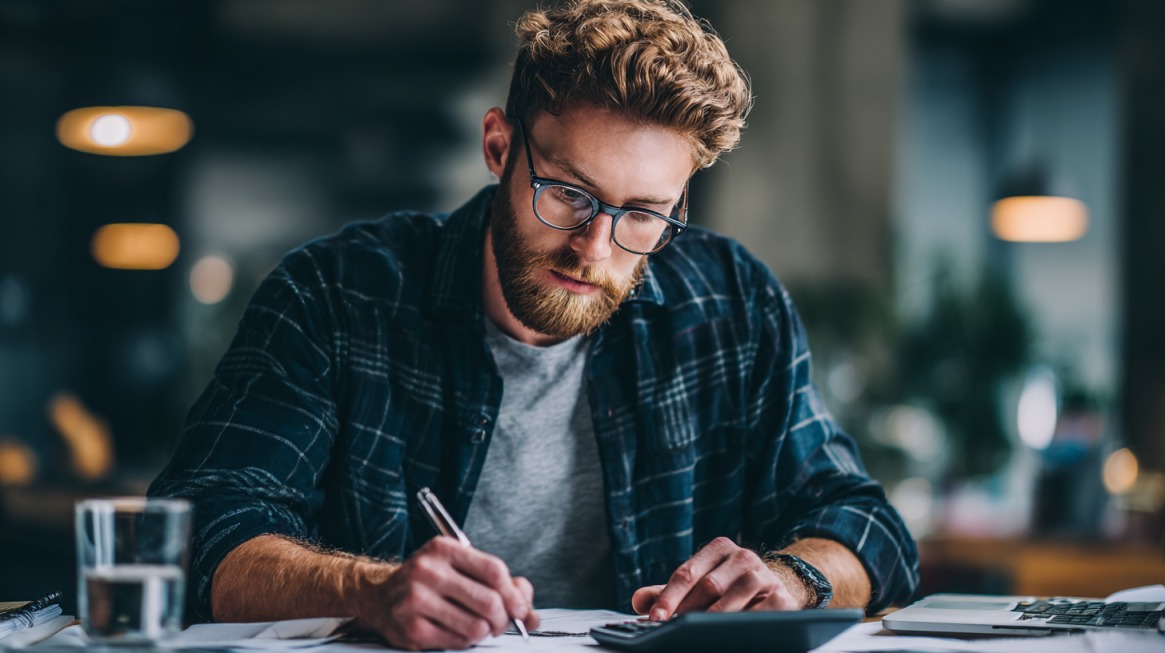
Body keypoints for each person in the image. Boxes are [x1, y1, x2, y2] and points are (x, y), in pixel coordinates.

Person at [149, 0, 919, 649]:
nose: (592, 247)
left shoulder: (731, 303)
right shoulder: (334, 295)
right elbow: (199, 533)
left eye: (642, 216)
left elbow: (867, 526)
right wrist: (369, 589)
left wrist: (793, 577)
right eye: (568, 193)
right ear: (498, 146)